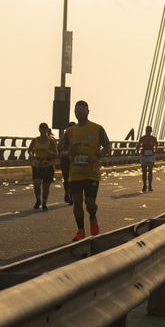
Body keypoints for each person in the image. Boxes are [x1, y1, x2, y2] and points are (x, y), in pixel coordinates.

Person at [59, 100, 111, 241]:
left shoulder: (97, 129)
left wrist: (97, 156)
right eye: (77, 110)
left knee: (89, 203)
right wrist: (69, 152)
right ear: (75, 113)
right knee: (77, 201)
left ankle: (93, 217)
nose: (80, 112)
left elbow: (108, 146)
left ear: (88, 112)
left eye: (82, 110)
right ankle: (80, 231)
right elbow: (61, 150)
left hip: (91, 172)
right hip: (75, 173)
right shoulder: (70, 132)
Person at [27, 123, 58, 210]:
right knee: (37, 184)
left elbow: (56, 154)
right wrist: (31, 155)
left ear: (47, 130)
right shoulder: (35, 140)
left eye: (45, 129)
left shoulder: (51, 141)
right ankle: (38, 200)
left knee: (46, 186)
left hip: (47, 164)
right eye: (41, 129)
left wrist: (49, 152)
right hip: (37, 164)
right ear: (39, 129)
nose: (43, 131)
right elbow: (29, 150)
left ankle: (44, 202)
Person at [59, 122, 76, 204]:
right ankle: (68, 193)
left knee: (71, 178)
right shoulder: (65, 138)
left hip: (73, 160)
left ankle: (70, 194)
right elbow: (58, 148)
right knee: (67, 178)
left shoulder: (76, 137)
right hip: (66, 160)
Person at [137, 125, 158, 192]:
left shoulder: (153, 138)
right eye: (147, 130)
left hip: (151, 155)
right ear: (146, 131)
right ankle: (145, 185)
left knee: (150, 171)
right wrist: (138, 151)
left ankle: (149, 185)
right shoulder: (142, 138)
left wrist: (155, 152)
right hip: (144, 155)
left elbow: (157, 146)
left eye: (149, 130)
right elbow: (138, 145)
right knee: (144, 171)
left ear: (151, 131)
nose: (148, 132)